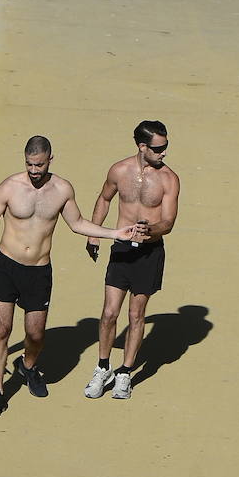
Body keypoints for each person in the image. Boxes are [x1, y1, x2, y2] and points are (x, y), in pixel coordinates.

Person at [0, 136, 143, 417]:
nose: (34, 171)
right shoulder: (10, 187)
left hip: (38, 272)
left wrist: (114, 234)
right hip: (5, 267)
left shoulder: (62, 189)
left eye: (40, 165)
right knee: (0, 329)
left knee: (35, 334)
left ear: (50, 160)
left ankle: (28, 366)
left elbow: (78, 223)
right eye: (30, 165)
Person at [83, 121, 181, 401]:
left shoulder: (169, 179)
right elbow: (104, 199)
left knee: (136, 314)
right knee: (109, 312)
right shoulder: (119, 170)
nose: (164, 153)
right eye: (158, 148)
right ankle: (103, 368)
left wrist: (150, 230)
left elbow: (169, 221)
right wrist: (94, 235)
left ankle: (125, 372)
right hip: (122, 250)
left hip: (149, 252)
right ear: (142, 146)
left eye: (166, 147)